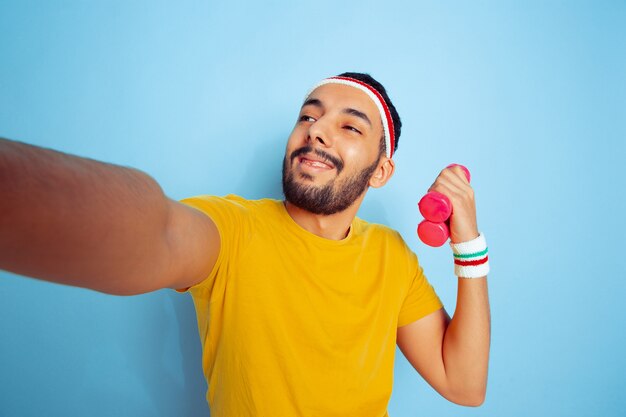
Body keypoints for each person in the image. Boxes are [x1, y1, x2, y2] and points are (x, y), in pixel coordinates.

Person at [0, 72, 490, 416]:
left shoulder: (391, 255)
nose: (315, 130)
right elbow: (159, 230)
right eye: (308, 117)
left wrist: (468, 243)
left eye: (349, 126)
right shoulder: (232, 229)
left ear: (380, 171)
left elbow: (463, 384)